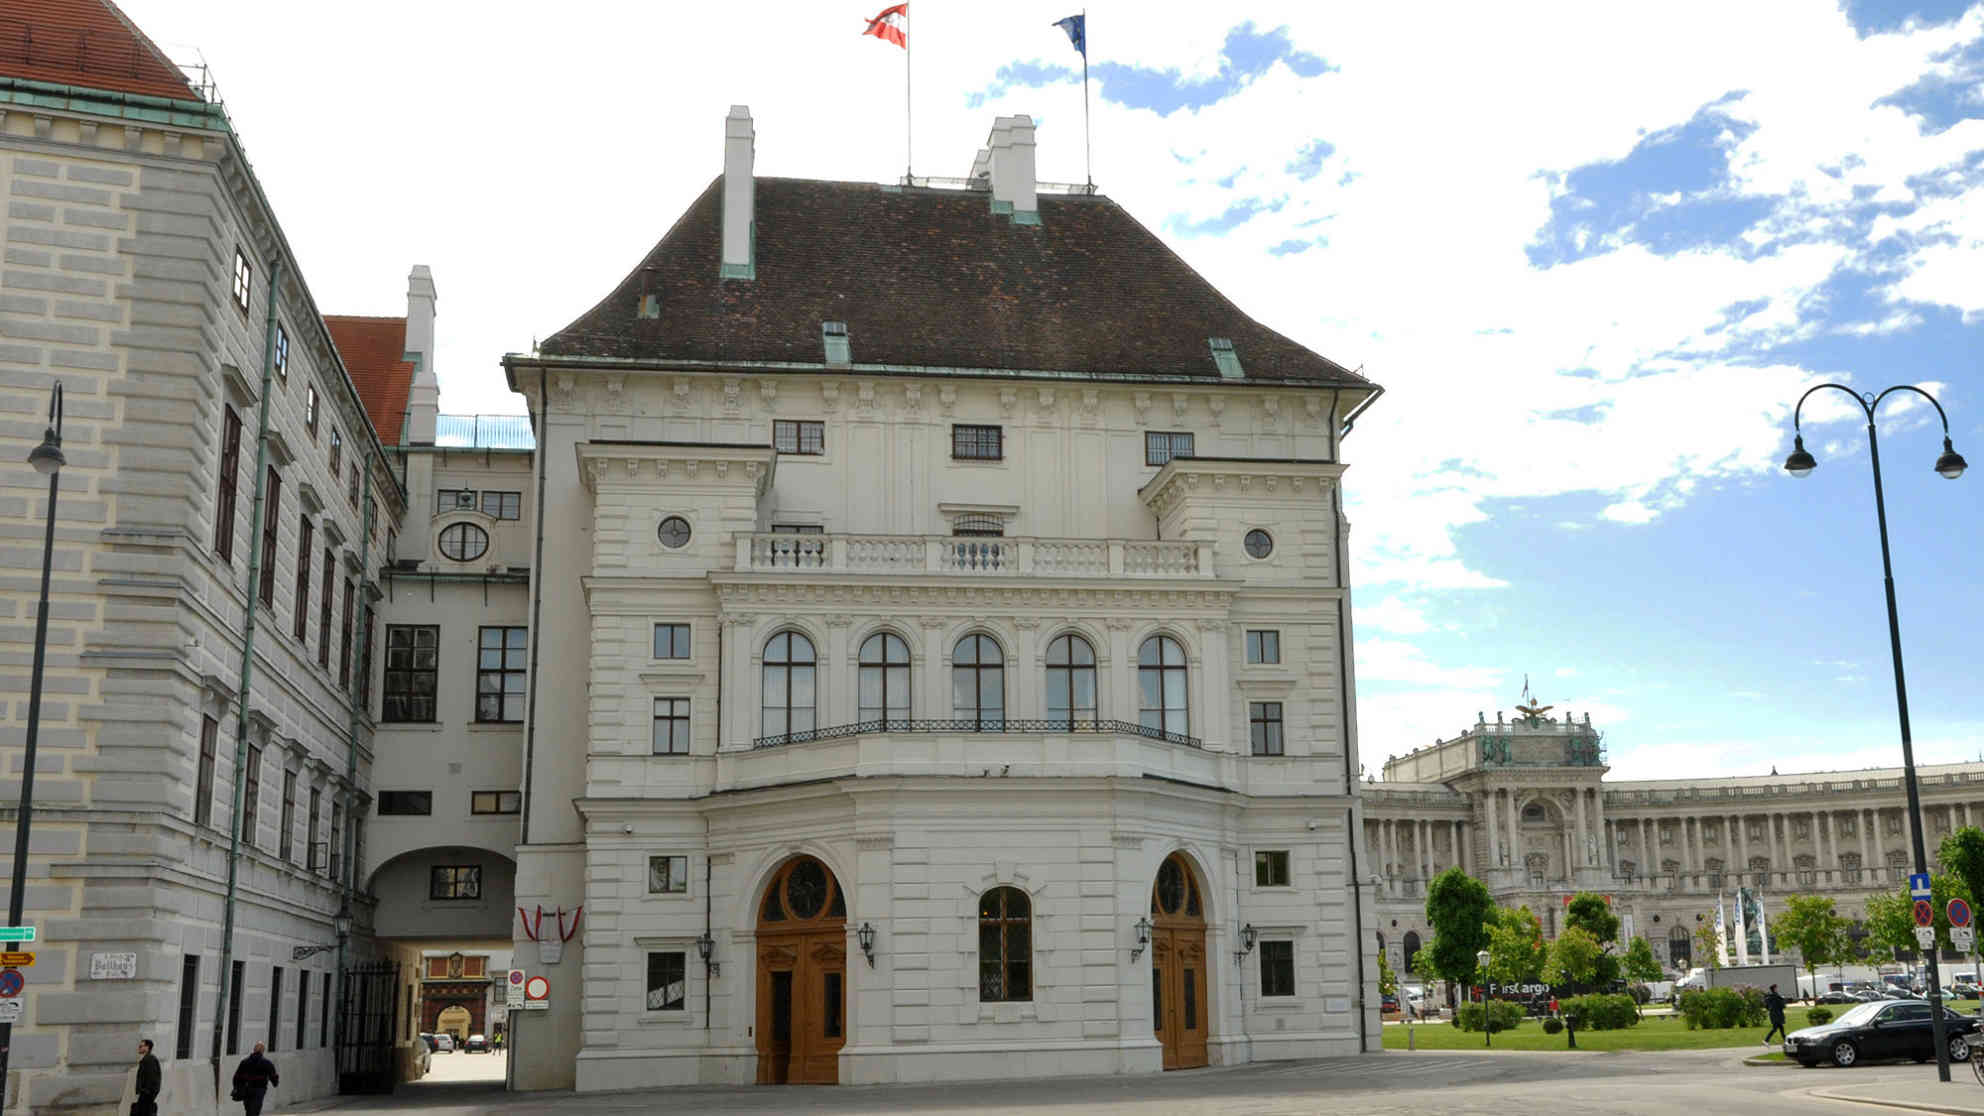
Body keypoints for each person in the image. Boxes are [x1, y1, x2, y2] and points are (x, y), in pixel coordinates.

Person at [231, 1041, 279, 1116]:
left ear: (254, 1050)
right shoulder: (267, 1063)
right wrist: (275, 1083)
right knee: (255, 1109)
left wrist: (236, 1087)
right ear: (263, 1051)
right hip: (259, 1089)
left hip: (246, 1089)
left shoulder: (244, 1062)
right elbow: (273, 1076)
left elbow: (236, 1077)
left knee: (248, 1109)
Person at [130, 1038, 160, 1116]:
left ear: (147, 1047)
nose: (139, 1048)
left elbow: (152, 1078)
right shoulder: (147, 1059)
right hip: (146, 1094)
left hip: (146, 1095)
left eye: (141, 1046)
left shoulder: (150, 1060)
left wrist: (145, 1091)